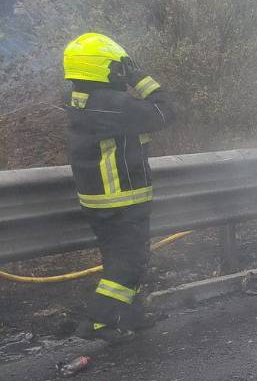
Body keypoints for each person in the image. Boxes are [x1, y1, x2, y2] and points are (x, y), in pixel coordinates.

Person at [62, 33, 175, 340]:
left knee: (119, 259)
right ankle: (98, 321)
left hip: (98, 198)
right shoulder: (115, 105)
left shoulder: (79, 99)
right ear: (102, 68)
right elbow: (166, 111)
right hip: (122, 199)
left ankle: (132, 316)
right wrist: (139, 77)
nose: (121, 72)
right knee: (130, 265)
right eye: (118, 67)